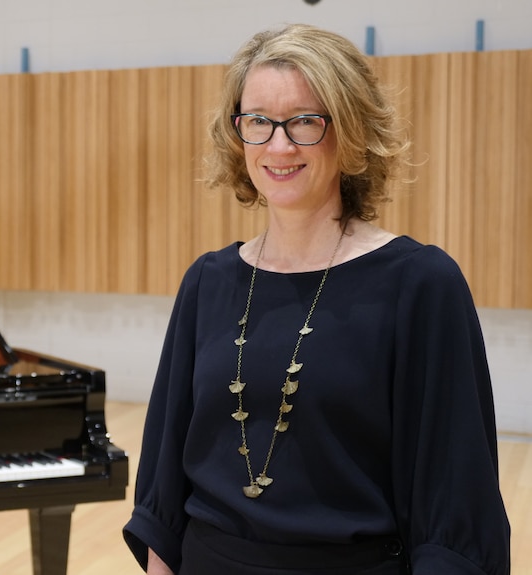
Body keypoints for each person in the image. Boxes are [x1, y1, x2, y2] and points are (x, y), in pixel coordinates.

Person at [122, 23, 510, 575]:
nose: (278, 146)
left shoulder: (420, 283)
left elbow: (456, 496)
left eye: (305, 121)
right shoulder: (208, 281)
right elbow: (163, 482)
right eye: (258, 121)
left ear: (349, 131)